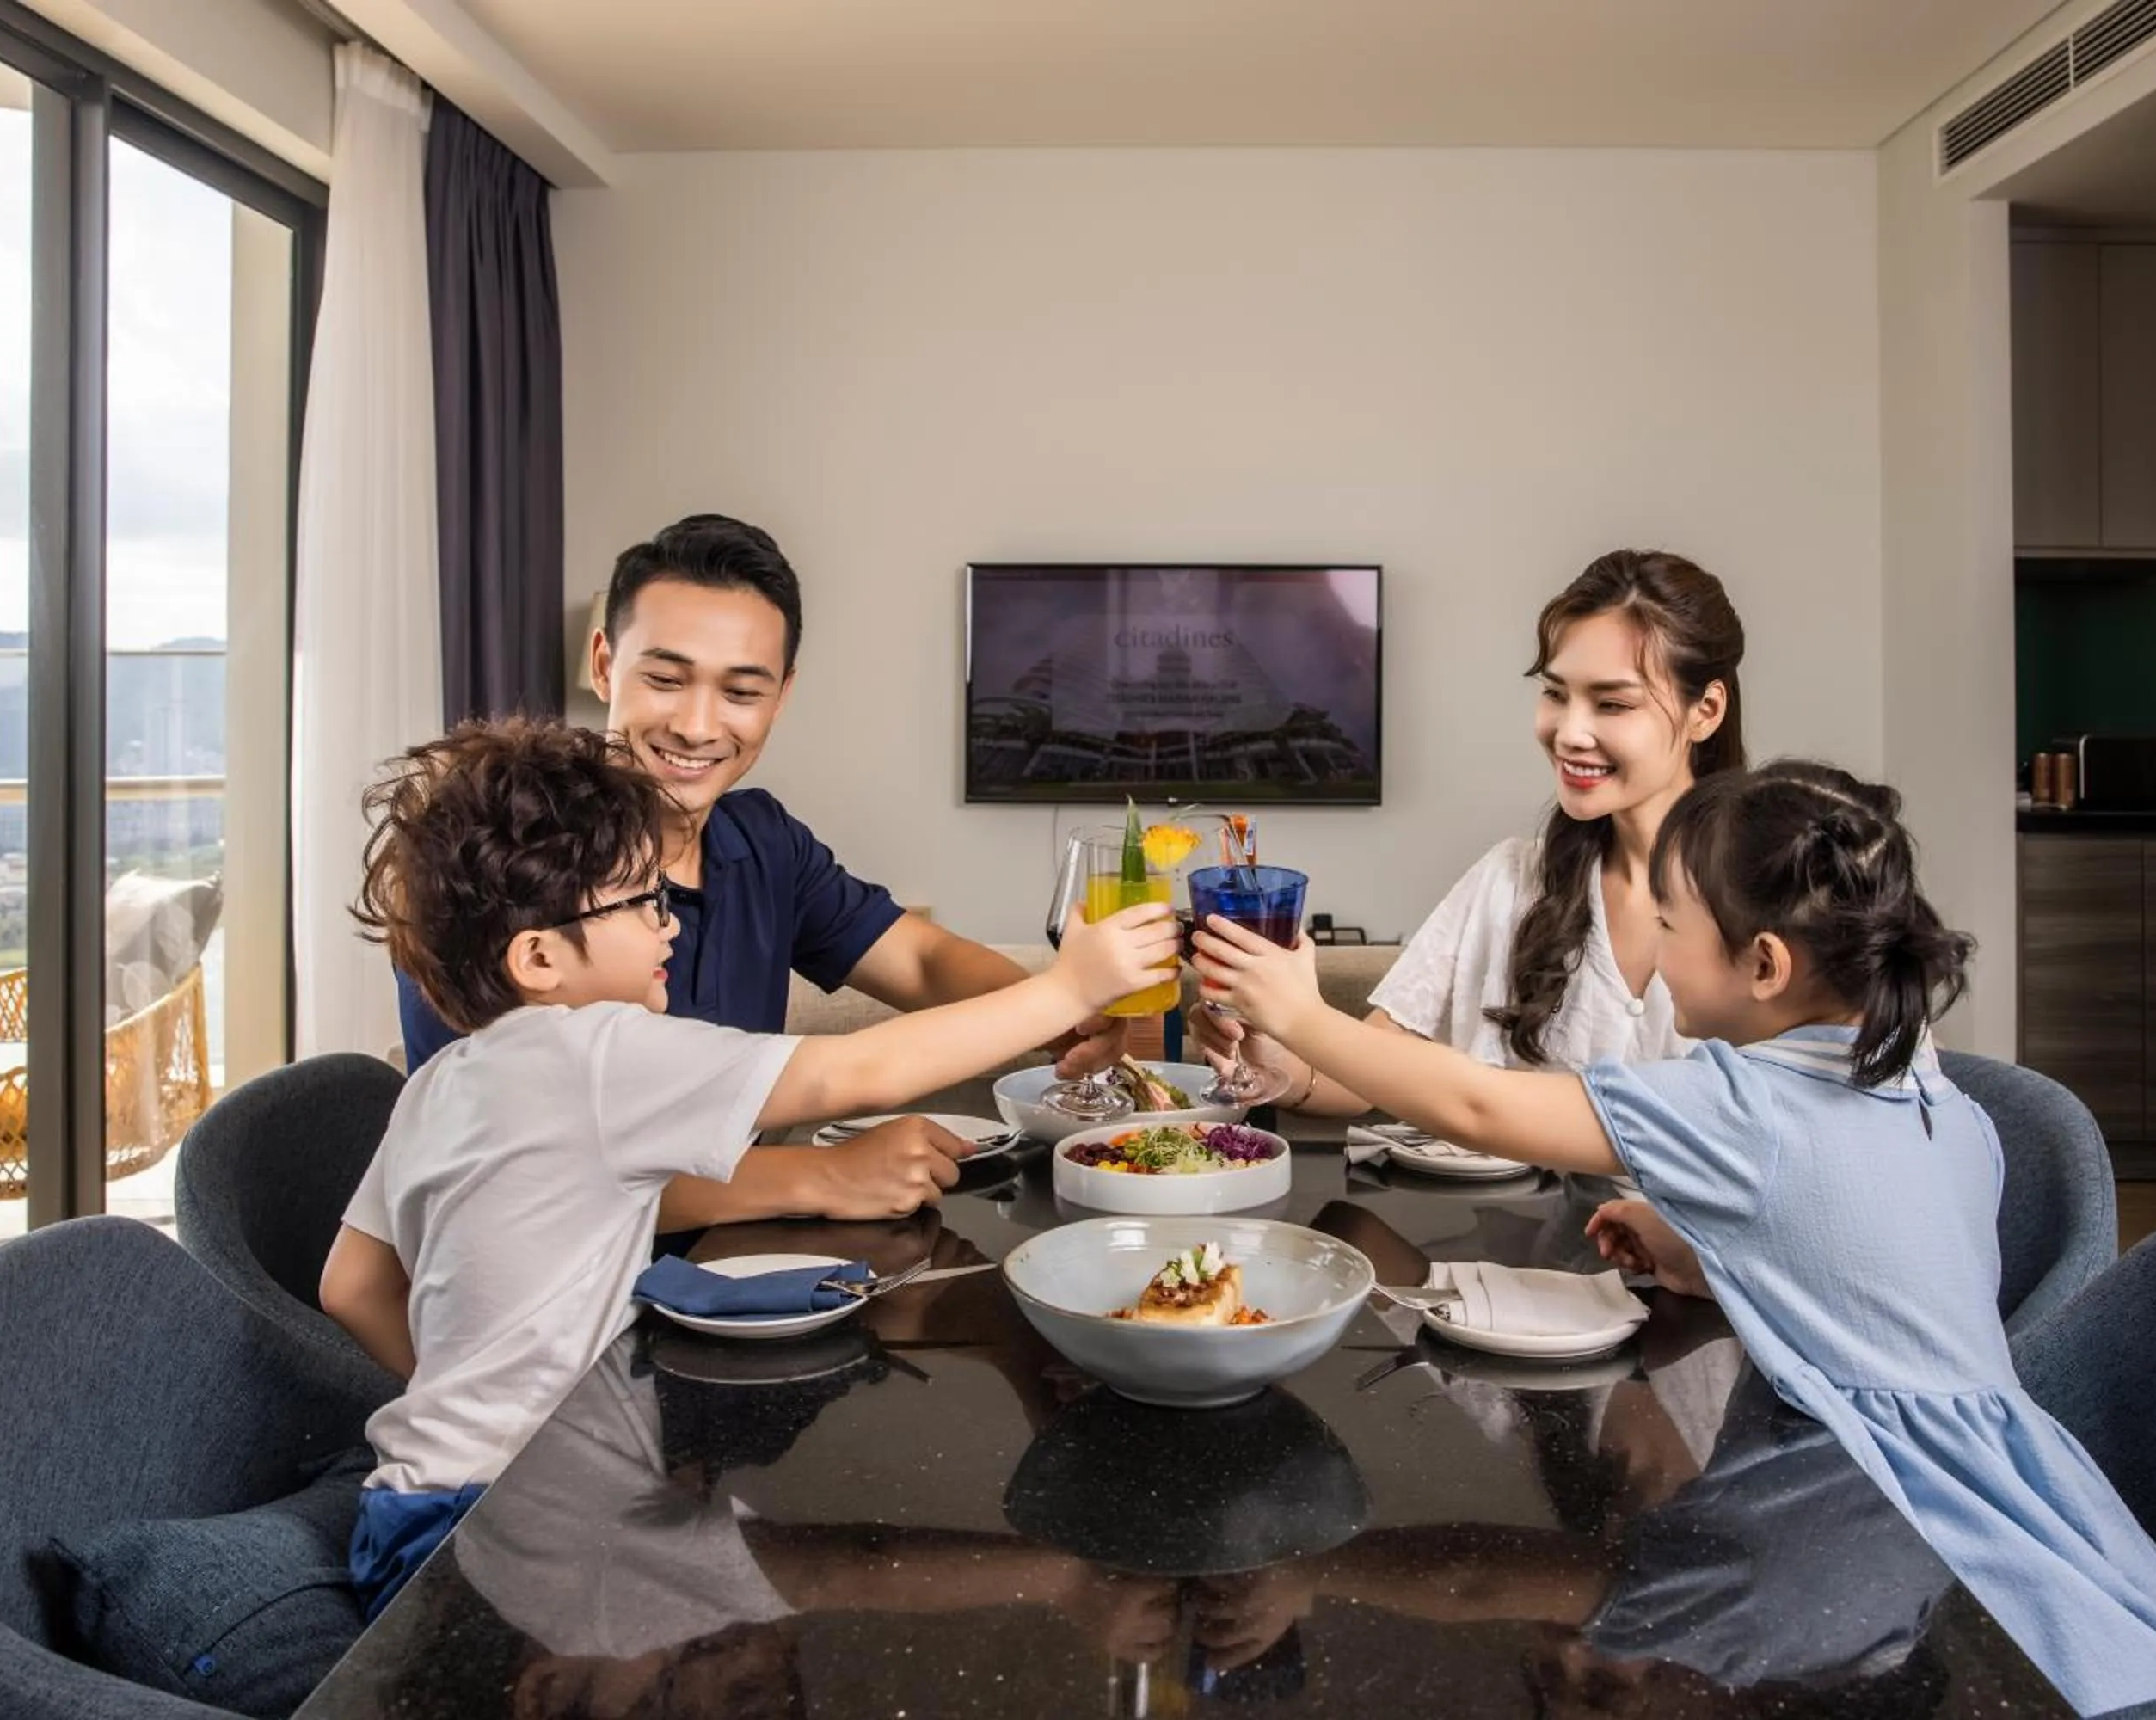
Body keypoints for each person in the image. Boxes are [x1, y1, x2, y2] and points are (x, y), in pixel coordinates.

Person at [1192, 759, 2156, 1716]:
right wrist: (1711, 1247)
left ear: (1765, 963)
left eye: (1669, 925)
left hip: (1864, 1509)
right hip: (2016, 1510)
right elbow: (1872, 1257)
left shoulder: (1740, 1104)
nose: (1651, 950)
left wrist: (1302, 1013)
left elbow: (1479, 1106)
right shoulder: (1925, 1084)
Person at [322, 718, 1176, 1618]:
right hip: (521, 1532)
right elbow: (858, 1071)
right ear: (538, 957)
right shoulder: (598, 1052)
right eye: (639, 903)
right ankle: (1069, 1578)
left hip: (406, 1510)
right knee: (822, 1570)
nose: (668, 924)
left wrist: (474, 1417)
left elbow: (352, 1285)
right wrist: (1068, 988)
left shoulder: (439, 1082)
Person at [399, 513, 1127, 1229]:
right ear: (603, 663)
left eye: (742, 692)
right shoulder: (497, 861)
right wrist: (817, 1176)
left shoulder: (762, 840)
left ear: (782, 694)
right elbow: (503, 1169)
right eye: (666, 678)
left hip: (749, 1264)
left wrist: (1064, 1021)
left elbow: (921, 961)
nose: (696, 726)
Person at [1196, 550, 1744, 1126]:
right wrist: (1270, 1051)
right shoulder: (1510, 880)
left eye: (1612, 703)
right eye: (1556, 694)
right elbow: (1364, 1078)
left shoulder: (1770, 902)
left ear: (1705, 711)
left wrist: (1303, 1017)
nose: (1569, 733)